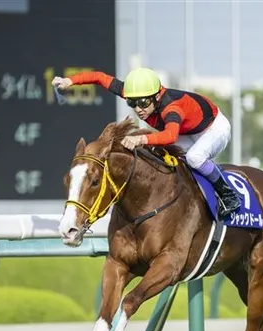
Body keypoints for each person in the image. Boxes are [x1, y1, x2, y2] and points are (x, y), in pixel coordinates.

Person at [51, 67, 241, 218]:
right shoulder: (138, 93)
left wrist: (141, 138)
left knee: (194, 158)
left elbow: (170, 136)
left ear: (157, 97)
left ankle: (229, 195)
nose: (138, 109)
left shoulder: (171, 108)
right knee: (163, 156)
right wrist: (70, 81)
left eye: (143, 103)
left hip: (213, 129)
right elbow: (100, 77)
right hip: (188, 130)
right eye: (132, 103)